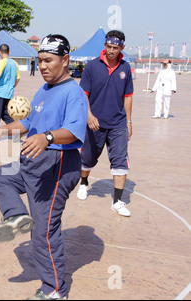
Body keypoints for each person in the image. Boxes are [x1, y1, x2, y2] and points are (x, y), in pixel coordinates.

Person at [0, 34, 88, 300]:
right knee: (0, 178)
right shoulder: (44, 89)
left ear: (65, 60)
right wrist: (1, 131)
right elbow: (29, 122)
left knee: (43, 232)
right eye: (39, 60)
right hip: (32, 161)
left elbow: (75, 133)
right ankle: (17, 216)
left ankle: (55, 290)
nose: (42, 66)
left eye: (48, 60)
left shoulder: (73, 92)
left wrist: (47, 137)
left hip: (57, 165)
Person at [76, 30, 134, 217]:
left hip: (118, 125)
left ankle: (117, 201)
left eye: (115, 48)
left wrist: (129, 121)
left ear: (122, 48)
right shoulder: (92, 66)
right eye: (108, 47)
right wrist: (89, 116)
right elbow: (83, 94)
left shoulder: (125, 68)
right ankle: (84, 183)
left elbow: (128, 97)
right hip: (94, 123)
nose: (111, 50)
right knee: (88, 159)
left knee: (120, 161)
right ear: (105, 45)